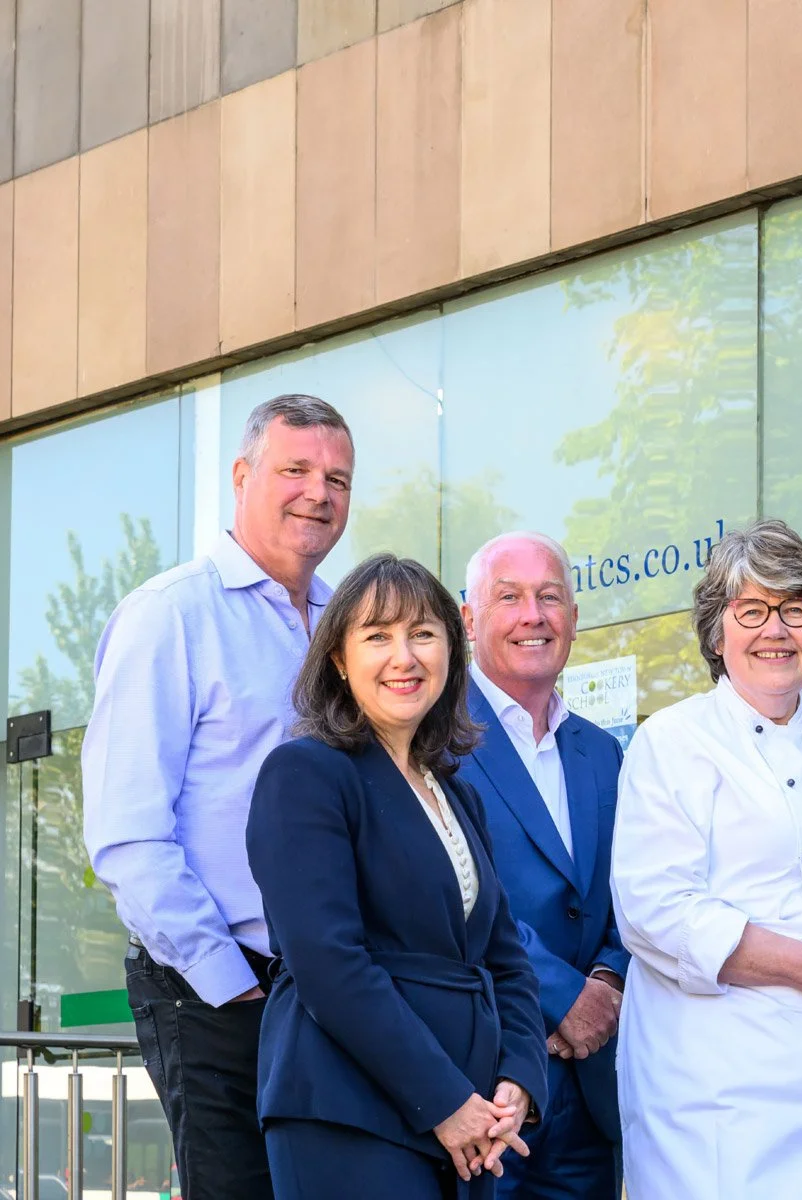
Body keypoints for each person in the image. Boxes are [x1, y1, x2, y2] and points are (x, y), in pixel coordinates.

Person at [82, 394, 354, 1200]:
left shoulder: (347, 625)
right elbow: (128, 834)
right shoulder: (171, 615)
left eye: (337, 477)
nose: (319, 492)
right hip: (216, 991)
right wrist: (227, 980)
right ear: (241, 477)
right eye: (295, 469)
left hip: (323, 987)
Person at [610, 519, 802, 1199]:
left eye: (795, 609)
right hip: (726, 1098)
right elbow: (657, 912)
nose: (776, 629)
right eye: (752, 610)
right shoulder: (673, 742)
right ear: (717, 632)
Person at [247, 554, 548, 1197]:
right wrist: (444, 1101)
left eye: (423, 634)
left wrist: (519, 1079)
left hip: (470, 1119)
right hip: (352, 1112)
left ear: (451, 651)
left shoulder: (456, 794)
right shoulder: (304, 774)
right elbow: (329, 964)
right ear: (338, 660)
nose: (403, 656)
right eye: (377, 636)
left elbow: (504, 958)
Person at [459, 532, 630, 1199]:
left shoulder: (604, 753)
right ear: (470, 620)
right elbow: (453, 896)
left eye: (550, 596)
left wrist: (609, 982)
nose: (534, 615)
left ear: (574, 619)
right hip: (482, 1085)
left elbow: (634, 891)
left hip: (588, 1092)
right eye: (510, 597)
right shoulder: (433, 738)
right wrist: (562, 999)